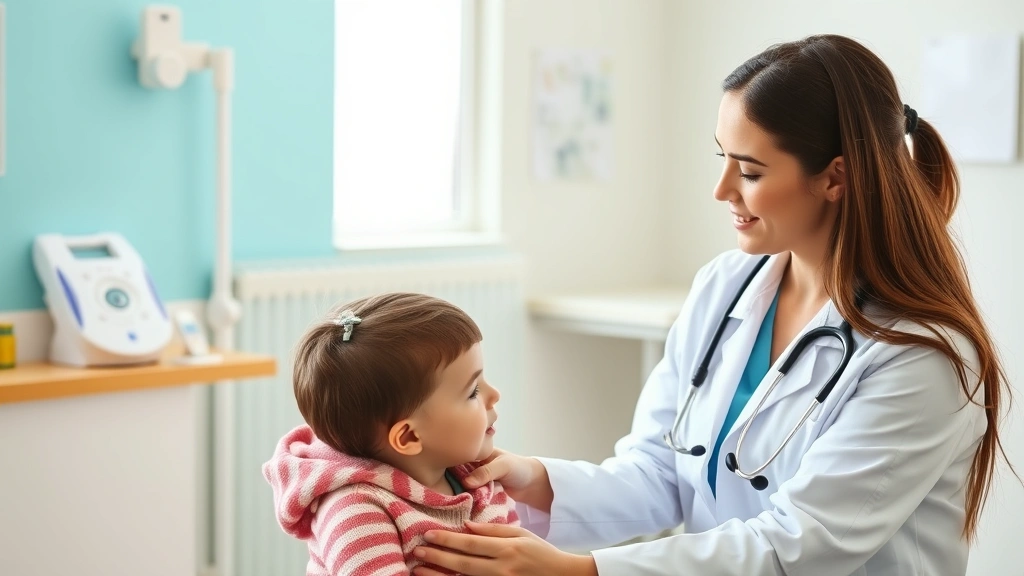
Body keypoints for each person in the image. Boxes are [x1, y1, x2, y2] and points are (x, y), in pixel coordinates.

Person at [408, 34, 1015, 576]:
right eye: (721, 156)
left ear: (836, 177)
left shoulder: (922, 354)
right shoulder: (727, 286)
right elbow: (660, 473)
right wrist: (528, 479)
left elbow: (800, 548)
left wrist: (580, 572)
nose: (721, 189)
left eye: (749, 170)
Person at [262, 292, 519, 575]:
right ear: (408, 437)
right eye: (473, 392)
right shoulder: (357, 512)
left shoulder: (482, 481)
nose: (495, 395)